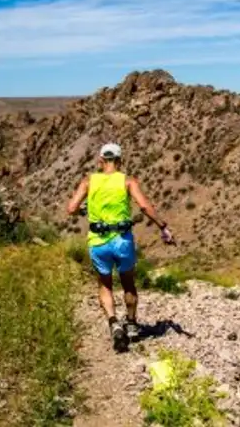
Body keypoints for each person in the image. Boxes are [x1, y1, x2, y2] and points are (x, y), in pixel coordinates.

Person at [66, 142, 175, 352]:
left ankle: (114, 323)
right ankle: (132, 325)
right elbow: (144, 206)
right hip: (122, 241)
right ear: (120, 161)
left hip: (98, 242)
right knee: (128, 283)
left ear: (100, 161)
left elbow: (71, 208)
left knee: (105, 285)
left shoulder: (89, 181)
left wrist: (84, 210)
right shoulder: (127, 181)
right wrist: (163, 227)